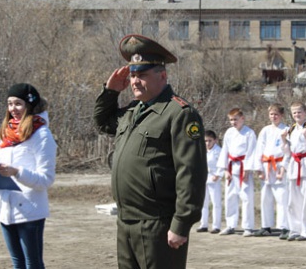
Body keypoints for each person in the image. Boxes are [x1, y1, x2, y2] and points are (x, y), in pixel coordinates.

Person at [93, 34, 207, 269]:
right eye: (133, 75)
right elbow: (103, 122)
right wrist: (110, 92)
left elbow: (191, 173)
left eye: (142, 75)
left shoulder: (179, 114)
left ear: (162, 76)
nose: (135, 81)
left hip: (158, 224)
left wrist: (181, 223)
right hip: (126, 222)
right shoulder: (133, 111)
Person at [0, 83, 57, 268]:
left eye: (18, 104)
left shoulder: (42, 135)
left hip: (30, 210)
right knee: (17, 263)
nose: (13, 109)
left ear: (30, 105)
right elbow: (2, 168)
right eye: (9, 104)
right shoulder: (6, 133)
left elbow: (46, 179)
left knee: (33, 263)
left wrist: (17, 172)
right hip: (6, 208)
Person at [216, 108, 257, 237]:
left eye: (235, 119)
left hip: (243, 167)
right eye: (231, 120)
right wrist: (225, 170)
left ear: (242, 119)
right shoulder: (229, 133)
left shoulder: (249, 133)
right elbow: (225, 151)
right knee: (230, 197)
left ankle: (248, 227)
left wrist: (247, 169)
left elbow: (252, 152)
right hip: (231, 167)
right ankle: (230, 225)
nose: (233, 122)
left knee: (246, 198)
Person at [282, 101, 306, 241]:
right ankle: (295, 229)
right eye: (294, 112)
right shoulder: (291, 129)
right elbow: (287, 151)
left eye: (299, 112)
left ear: (305, 112)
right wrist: (283, 140)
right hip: (294, 165)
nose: (297, 114)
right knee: (293, 201)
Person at [254, 103, 290, 239]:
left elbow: (288, 151)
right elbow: (259, 149)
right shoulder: (265, 130)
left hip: (279, 165)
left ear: (281, 115)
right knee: (265, 198)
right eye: (271, 114)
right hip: (266, 166)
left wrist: (283, 168)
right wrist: (258, 168)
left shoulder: (286, 130)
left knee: (282, 198)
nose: (273, 117)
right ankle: (266, 226)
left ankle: (284, 227)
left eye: (276, 114)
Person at [196, 130, 222, 234]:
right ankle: (204, 224)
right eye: (205, 141)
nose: (207, 143)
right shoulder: (202, 151)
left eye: (210, 141)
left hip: (214, 179)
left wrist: (218, 175)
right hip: (204, 179)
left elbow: (222, 164)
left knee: (216, 203)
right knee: (203, 203)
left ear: (215, 140)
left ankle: (216, 226)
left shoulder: (219, 151)